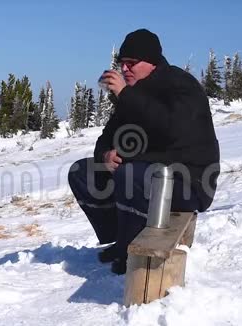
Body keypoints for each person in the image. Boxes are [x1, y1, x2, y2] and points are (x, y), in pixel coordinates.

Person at [68, 29, 220, 275]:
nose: (125, 70)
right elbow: (107, 137)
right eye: (122, 64)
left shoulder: (179, 85)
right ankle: (121, 240)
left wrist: (126, 96)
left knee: (130, 175)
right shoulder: (133, 94)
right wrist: (105, 156)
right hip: (147, 174)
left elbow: (171, 129)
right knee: (82, 172)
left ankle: (129, 249)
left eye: (131, 64)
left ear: (151, 62)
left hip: (190, 180)